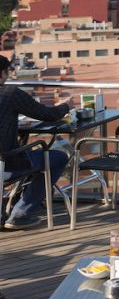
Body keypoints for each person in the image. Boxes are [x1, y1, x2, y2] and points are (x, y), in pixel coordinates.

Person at [0, 53, 70, 229]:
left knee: (28, 155)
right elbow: (47, 115)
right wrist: (66, 105)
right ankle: (20, 214)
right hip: (6, 164)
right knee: (58, 158)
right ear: (2, 74)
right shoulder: (10, 94)